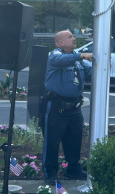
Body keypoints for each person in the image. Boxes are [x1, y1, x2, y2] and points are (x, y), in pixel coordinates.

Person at [41, 30, 93, 181]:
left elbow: (89, 71)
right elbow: (61, 60)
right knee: (52, 141)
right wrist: (81, 55)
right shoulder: (55, 55)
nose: (74, 38)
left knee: (75, 139)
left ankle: (73, 170)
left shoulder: (76, 58)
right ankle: (50, 173)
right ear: (61, 42)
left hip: (75, 107)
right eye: (70, 37)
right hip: (57, 107)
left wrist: (102, 66)